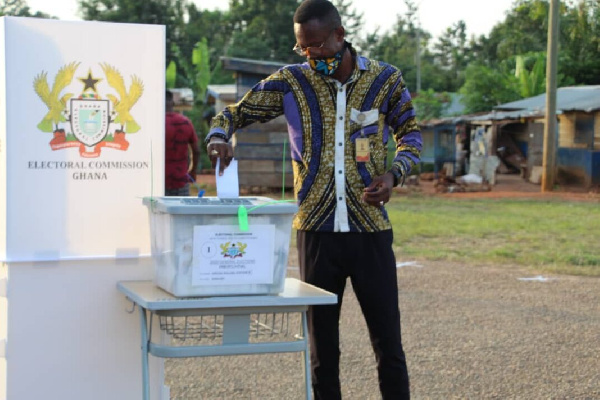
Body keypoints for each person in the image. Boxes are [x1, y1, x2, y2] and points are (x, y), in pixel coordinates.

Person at [205, 1, 421, 398]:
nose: (310, 56)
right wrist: (219, 137)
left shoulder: (385, 80)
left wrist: (394, 174)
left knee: (388, 344)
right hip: (316, 234)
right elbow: (231, 114)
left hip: (370, 231)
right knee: (323, 350)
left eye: (317, 46)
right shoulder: (292, 82)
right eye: (302, 48)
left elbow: (411, 133)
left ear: (340, 35)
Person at [165, 90, 200, 196]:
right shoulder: (185, 122)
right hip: (181, 181)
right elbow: (196, 151)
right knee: (181, 211)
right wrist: (193, 171)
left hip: (159, 182)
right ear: (173, 104)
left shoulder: (154, 123)